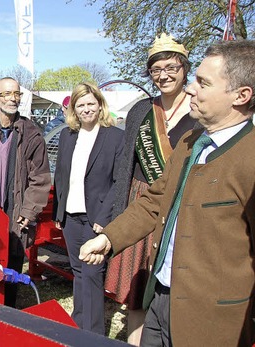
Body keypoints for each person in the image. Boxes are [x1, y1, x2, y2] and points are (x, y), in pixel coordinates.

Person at [80, 40, 255, 347]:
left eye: (202, 83)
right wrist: (109, 237)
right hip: (161, 298)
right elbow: (154, 200)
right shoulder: (190, 141)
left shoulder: (250, 157)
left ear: (241, 96)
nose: (191, 90)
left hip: (211, 321)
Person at [103, 33, 198, 345]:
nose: (164, 75)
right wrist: (117, 216)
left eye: (171, 67)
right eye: (156, 69)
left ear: (185, 69)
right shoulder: (140, 111)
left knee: (173, 286)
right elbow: (124, 168)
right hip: (139, 202)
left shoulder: (199, 112)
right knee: (137, 290)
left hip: (181, 206)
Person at [0, 77, 51, 307]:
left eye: (16, 94)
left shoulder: (31, 134)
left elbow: (40, 178)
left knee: (12, 264)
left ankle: (9, 313)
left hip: (15, 212)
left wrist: (29, 209)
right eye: (6, 94)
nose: (12, 98)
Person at [52, 83, 123, 334]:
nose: (86, 109)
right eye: (80, 105)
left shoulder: (115, 137)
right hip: (71, 216)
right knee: (78, 272)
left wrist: (106, 218)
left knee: (93, 273)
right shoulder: (67, 135)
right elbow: (61, 175)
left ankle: (92, 335)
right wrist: (58, 212)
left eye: (91, 103)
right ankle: (78, 325)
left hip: (97, 218)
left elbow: (119, 181)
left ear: (100, 105)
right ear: (74, 109)